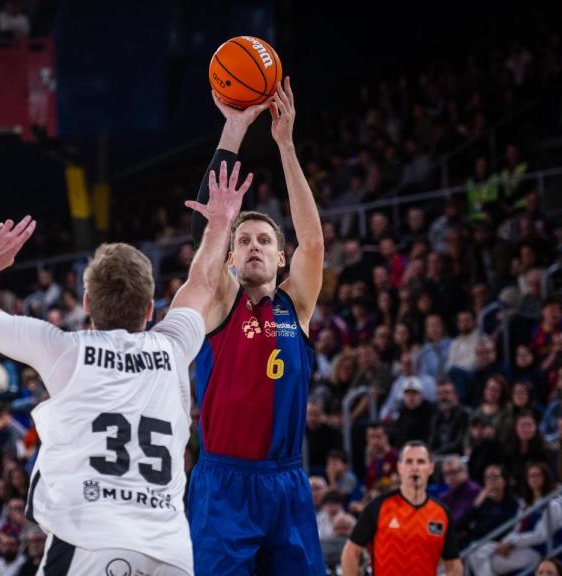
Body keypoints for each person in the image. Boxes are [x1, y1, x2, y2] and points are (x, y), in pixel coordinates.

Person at [0, 159, 254, 574]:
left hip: (92, 543)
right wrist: (221, 222)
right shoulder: (172, 347)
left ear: (86, 305)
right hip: (170, 550)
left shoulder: (63, 349)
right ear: (148, 309)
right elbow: (204, 284)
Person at [185, 78, 326, 574]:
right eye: (242, 240)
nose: (252, 246)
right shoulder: (219, 303)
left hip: (287, 483)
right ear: (229, 257)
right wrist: (234, 129)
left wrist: (285, 143)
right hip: (224, 485)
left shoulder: (296, 305)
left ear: (279, 256)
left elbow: (312, 241)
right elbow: (210, 225)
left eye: (264, 240)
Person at [340, 441, 463, 576]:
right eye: (409, 462)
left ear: (431, 468)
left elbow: (453, 564)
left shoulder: (442, 513)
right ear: (399, 467)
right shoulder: (378, 507)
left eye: (421, 462)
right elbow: (350, 553)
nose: (415, 467)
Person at [466, 461, 562, 575]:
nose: (534, 479)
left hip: (538, 552)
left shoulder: (553, 504)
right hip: (520, 548)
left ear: (546, 477)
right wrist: (507, 543)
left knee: (479, 557)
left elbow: (540, 536)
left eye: (538, 475)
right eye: (531, 476)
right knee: (476, 553)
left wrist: (512, 542)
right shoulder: (526, 505)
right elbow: (516, 528)